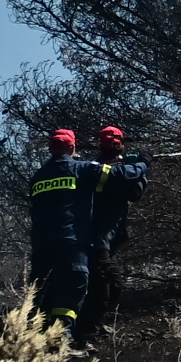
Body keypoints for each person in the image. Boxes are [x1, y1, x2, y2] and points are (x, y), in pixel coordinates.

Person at [79, 125, 149, 343]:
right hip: (95, 240)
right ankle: (84, 334)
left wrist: (133, 166)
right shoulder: (101, 170)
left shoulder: (114, 168)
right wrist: (141, 166)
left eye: (117, 141)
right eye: (112, 141)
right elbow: (133, 191)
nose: (115, 144)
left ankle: (87, 329)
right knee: (109, 285)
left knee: (103, 285)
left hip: (104, 239)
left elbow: (132, 191)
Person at [27, 128, 95, 333]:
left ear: (50, 147)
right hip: (70, 243)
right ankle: (61, 341)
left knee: (41, 293)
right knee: (70, 289)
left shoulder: (37, 177)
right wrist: (141, 164)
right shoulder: (81, 169)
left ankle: (36, 340)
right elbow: (118, 176)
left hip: (41, 245)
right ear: (73, 146)